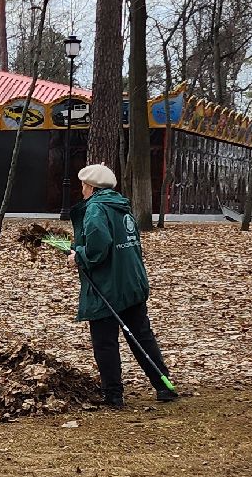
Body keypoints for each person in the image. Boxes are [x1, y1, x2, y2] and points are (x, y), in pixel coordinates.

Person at [70, 163, 175, 407]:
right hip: (132, 283)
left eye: (83, 185)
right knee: (142, 336)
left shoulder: (96, 209)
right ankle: (163, 385)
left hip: (109, 286)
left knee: (105, 341)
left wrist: (78, 255)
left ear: (91, 186)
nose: (82, 190)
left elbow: (98, 248)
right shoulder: (121, 206)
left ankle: (113, 394)